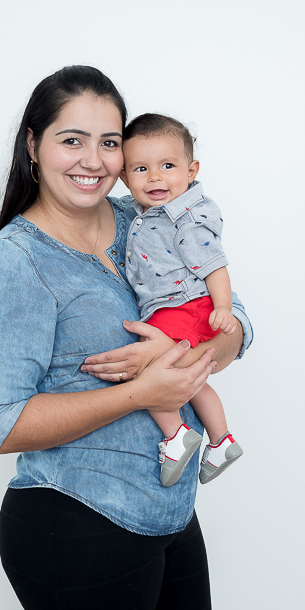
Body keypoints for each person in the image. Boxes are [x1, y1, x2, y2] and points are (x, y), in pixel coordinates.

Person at [0, 65, 253, 610]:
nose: (94, 160)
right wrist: (141, 391)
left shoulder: (143, 218)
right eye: (72, 140)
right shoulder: (14, 263)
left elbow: (236, 324)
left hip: (170, 511)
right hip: (77, 522)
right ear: (33, 145)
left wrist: (201, 345)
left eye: (110, 140)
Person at [116, 113, 243, 487]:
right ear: (125, 178)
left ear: (191, 171)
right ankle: (221, 440)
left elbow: (215, 265)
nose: (155, 177)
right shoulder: (145, 213)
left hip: (181, 307)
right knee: (194, 381)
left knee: (152, 373)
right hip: (179, 308)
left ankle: (176, 435)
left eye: (167, 166)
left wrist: (223, 308)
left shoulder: (184, 220)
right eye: (141, 168)